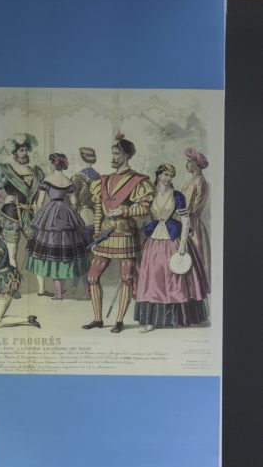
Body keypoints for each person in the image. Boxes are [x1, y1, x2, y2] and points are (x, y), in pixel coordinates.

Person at [83, 132, 153, 335]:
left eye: (116, 153)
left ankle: (120, 320)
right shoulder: (103, 181)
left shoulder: (138, 181)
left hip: (125, 235)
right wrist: (97, 233)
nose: (113, 157)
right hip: (106, 235)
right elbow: (98, 210)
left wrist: (126, 211)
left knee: (126, 279)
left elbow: (144, 207)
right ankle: (97, 319)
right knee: (92, 277)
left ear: (126, 156)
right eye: (112, 153)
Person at [134, 163, 208, 331]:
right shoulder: (149, 194)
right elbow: (142, 213)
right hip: (154, 239)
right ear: (158, 175)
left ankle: (177, 318)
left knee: (174, 277)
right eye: (165, 174)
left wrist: (182, 244)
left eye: (170, 176)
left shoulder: (177, 195)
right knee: (152, 278)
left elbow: (185, 219)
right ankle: (151, 321)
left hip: (173, 238)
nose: (168, 178)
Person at [0, 133, 47, 294]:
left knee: (38, 250)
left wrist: (37, 207)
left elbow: (40, 193)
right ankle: (14, 288)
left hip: (30, 216)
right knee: (11, 253)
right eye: (21, 151)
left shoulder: (35, 171)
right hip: (11, 216)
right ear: (14, 153)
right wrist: (2, 198)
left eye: (26, 151)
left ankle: (41, 289)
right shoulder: (4, 169)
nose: (25, 154)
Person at [25, 153, 92, 300]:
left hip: (50, 215)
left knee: (52, 253)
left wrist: (39, 217)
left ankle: (59, 293)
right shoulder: (68, 181)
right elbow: (75, 203)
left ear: (52, 165)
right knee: (64, 253)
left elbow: (40, 202)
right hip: (65, 211)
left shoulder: (47, 180)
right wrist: (69, 215)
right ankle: (60, 292)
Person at [183, 147, 211, 298]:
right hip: (186, 223)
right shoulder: (191, 181)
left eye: (189, 162)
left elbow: (192, 208)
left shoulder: (201, 182)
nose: (186, 165)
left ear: (196, 164)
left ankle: (196, 296)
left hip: (193, 227)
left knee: (193, 259)